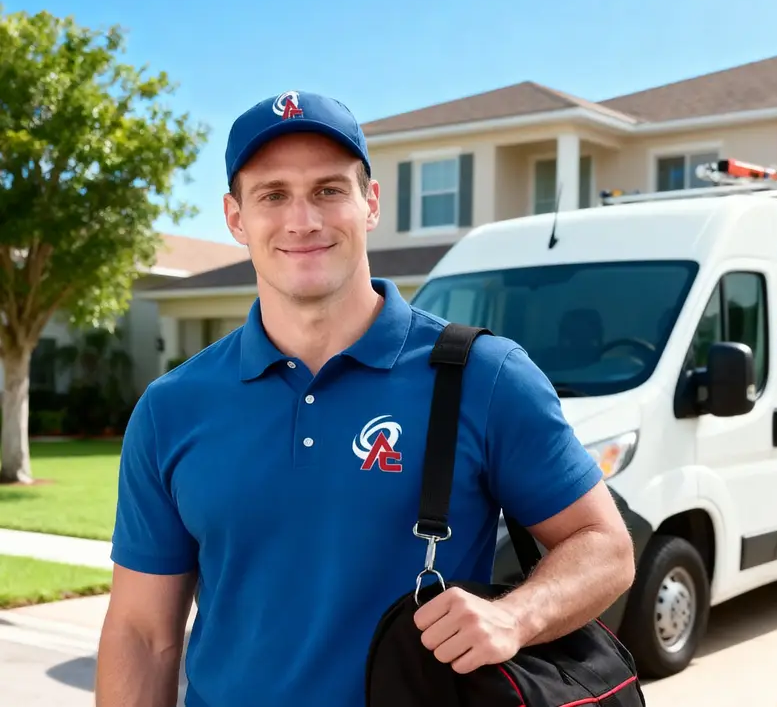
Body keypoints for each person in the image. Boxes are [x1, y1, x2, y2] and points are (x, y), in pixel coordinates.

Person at [94, 89, 636, 707]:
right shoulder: (172, 408)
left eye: (329, 189)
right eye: (273, 195)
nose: (303, 220)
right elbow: (142, 635)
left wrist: (517, 616)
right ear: (236, 218)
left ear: (370, 202)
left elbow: (605, 546)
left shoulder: (483, 376)